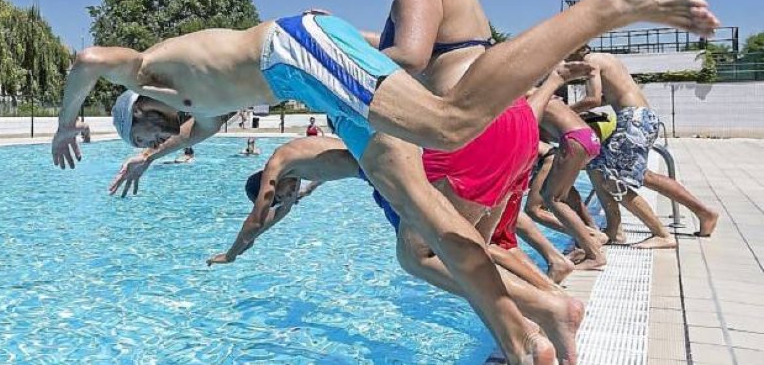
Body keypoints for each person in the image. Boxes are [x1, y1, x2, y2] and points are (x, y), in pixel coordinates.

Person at [50, 0, 716, 365]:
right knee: (424, 225)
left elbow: (86, 61)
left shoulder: (150, 70)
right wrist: (148, 160)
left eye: (144, 128)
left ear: (140, 105)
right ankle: (533, 335)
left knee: (448, 124)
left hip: (294, 50)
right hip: (321, 92)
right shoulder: (199, 111)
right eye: (146, 136)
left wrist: (64, 121)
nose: (156, 134)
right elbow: (191, 133)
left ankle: (602, 3)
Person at [208, 135, 582, 359]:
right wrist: (296, 199)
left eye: (279, 196)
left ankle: (543, 310)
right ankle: (527, 320)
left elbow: (257, 219)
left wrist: (233, 252)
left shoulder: (280, 161)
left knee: (428, 258)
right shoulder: (296, 173)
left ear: (268, 185)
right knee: (469, 250)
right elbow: (283, 209)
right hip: (384, 178)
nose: (286, 200)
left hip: (393, 175)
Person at [363, 0, 544, 299]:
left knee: (418, 253)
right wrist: (337, 36)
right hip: (510, 119)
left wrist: (336, 69)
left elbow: (411, 56)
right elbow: (425, 45)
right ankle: (532, 328)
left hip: (473, 127)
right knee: (475, 254)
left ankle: (551, 310)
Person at [571, 49, 720, 247]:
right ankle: (615, 229)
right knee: (598, 167)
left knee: (611, 179)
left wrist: (564, 111)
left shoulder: (591, 61)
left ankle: (661, 234)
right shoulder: (607, 58)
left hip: (632, 120)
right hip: (643, 118)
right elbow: (611, 95)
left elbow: (593, 99)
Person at [537, 98, 606, 269]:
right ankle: (590, 235)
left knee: (553, 199)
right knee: (559, 193)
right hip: (588, 136)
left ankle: (594, 254)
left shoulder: (528, 99)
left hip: (574, 139)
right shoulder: (544, 96)